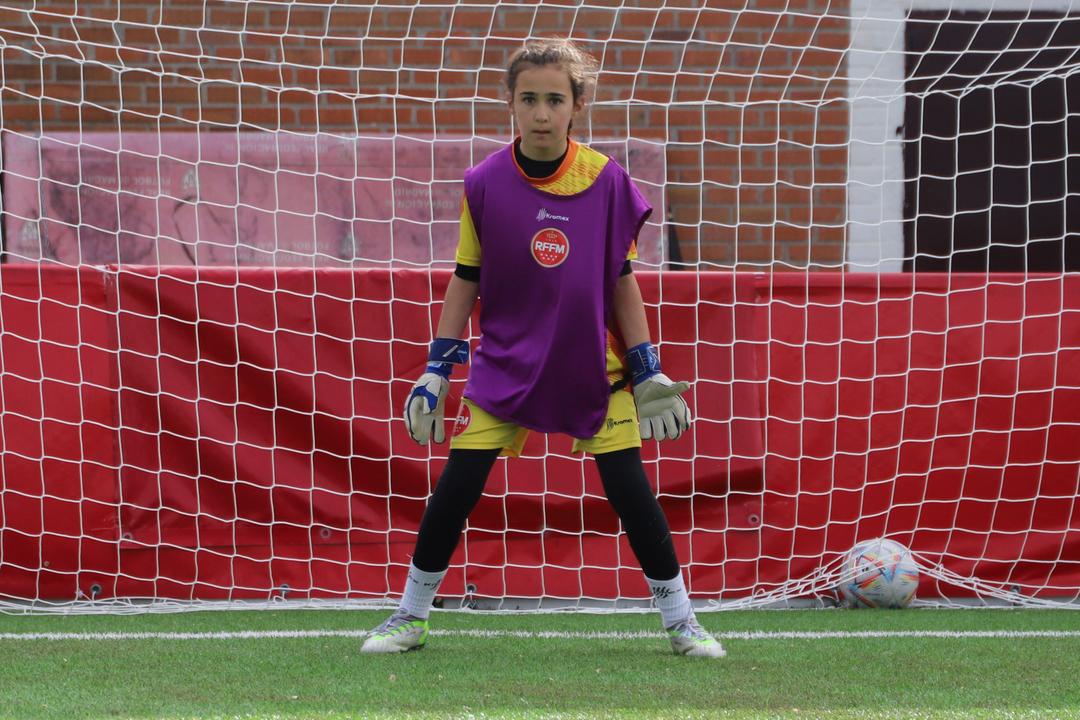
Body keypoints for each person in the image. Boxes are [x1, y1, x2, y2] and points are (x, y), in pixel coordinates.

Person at [361, 38, 723, 658]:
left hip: (593, 367)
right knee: (458, 487)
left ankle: (682, 622)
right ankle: (410, 616)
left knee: (630, 491)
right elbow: (466, 278)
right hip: (506, 364)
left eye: (555, 99)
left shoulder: (607, 181)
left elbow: (622, 282)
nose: (541, 112)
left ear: (578, 105)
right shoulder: (483, 183)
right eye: (528, 98)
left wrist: (647, 368)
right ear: (509, 101)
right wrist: (437, 369)